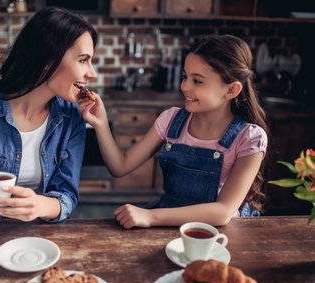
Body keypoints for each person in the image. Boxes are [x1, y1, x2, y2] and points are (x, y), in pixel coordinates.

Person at [79, 35, 268, 229]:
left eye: (198, 81)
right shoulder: (171, 120)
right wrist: (101, 124)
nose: (184, 87)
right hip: (168, 228)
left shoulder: (249, 138)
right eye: (185, 77)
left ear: (231, 90)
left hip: (217, 236)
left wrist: (150, 216)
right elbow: (119, 167)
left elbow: (223, 212)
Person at [0, 7, 98, 227]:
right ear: (48, 59)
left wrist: (40, 206)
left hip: (41, 236)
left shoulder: (72, 118)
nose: (92, 73)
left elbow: (67, 195)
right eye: (83, 60)